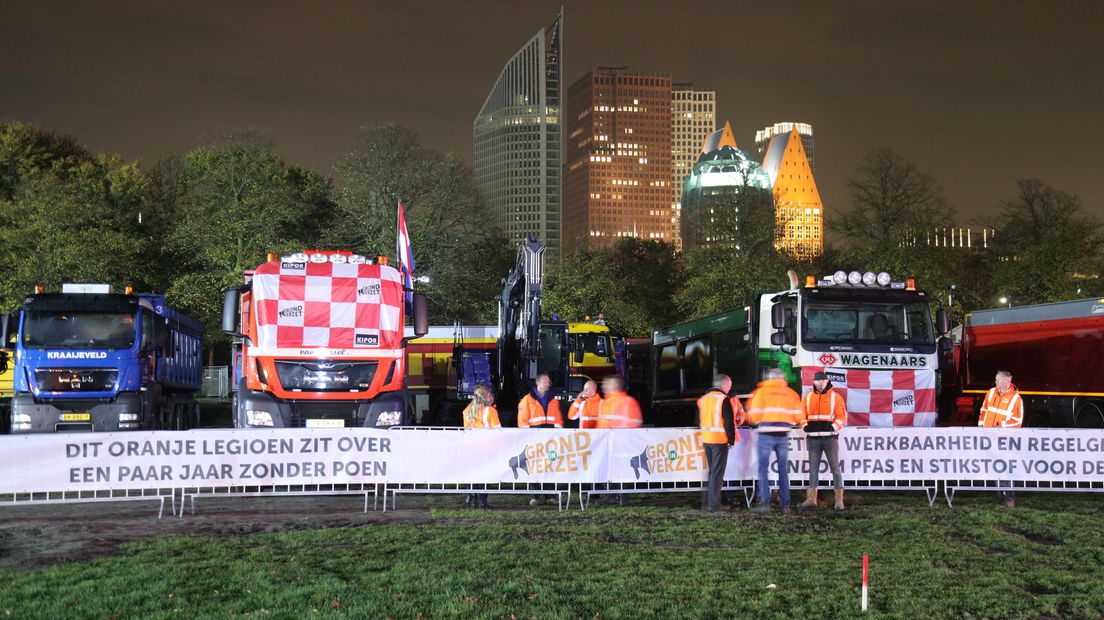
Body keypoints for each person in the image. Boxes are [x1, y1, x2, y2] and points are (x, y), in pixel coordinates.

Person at [746, 368, 804, 513]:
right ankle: (785, 505)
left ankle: (764, 503)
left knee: (763, 469)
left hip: (766, 434)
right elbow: (799, 416)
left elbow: (752, 415)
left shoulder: (761, 392)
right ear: (783, 378)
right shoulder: (791, 394)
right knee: (783, 470)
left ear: (769, 378)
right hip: (783, 434)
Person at [800, 371, 848, 510]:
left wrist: (831, 427)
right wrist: (804, 426)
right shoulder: (807, 397)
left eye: (823, 381)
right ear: (813, 382)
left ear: (827, 382)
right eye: (818, 381)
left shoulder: (836, 397)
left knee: (835, 469)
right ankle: (811, 500)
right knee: (813, 470)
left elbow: (842, 417)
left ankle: (839, 501)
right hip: (813, 439)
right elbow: (801, 415)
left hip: (830, 438)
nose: (821, 383)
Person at [978, 370, 1023, 507]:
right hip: (989, 438)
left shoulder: (1016, 399)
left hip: (1004, 440)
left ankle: (1009, 497)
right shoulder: (991, 392)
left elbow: (1017, 421)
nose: (995, 382)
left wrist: (999, 426)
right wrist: (981, 428)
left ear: (1006, 381)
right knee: (993, 467)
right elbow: (983, 411)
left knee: (1005, 468)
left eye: (998, 380)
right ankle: (1000, 496)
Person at [518, 373, 563, 506]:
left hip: (551, 440)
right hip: (534, 440)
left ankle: (550, 496)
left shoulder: (554, 399)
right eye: (545, 381)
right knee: (534, 467)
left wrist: (559, 435)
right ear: (538, 383)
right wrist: (528, 437)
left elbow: (558, 419)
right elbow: (522, 421)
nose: (548, 384)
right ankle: (534, 496)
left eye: (548, 381)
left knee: (551, 466)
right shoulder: (527, 400)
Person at [698, 374, 736, 512]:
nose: (730, 387)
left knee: (712, 472)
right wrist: (731, 440)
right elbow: (729, 422)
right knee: (717, 474)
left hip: (706, 439)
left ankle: (708, 503)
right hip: (719, 440)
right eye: (729, 385)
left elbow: (698, 419)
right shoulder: (723, 399)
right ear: (724, 385)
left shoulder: (704, 399)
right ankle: (714, 505)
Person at [462, 384, 501, 508]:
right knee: (484, 474)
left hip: (470, 448)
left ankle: (471, 498)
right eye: (489, 395)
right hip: (486, 448)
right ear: (485, 397)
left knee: (472, 473)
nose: (492, 397)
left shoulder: (467, 410)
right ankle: (483, 500)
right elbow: (498, 431)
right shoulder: (490, 411)